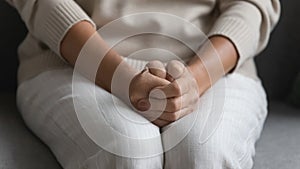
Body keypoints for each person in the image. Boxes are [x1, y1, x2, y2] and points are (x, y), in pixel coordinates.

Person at [8, 0, 280, 168]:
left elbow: (251, 5)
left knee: (203, 152)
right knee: (127, 151)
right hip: (72, 62)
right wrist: (122, 78)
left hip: (215, 65)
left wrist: (195, 80)